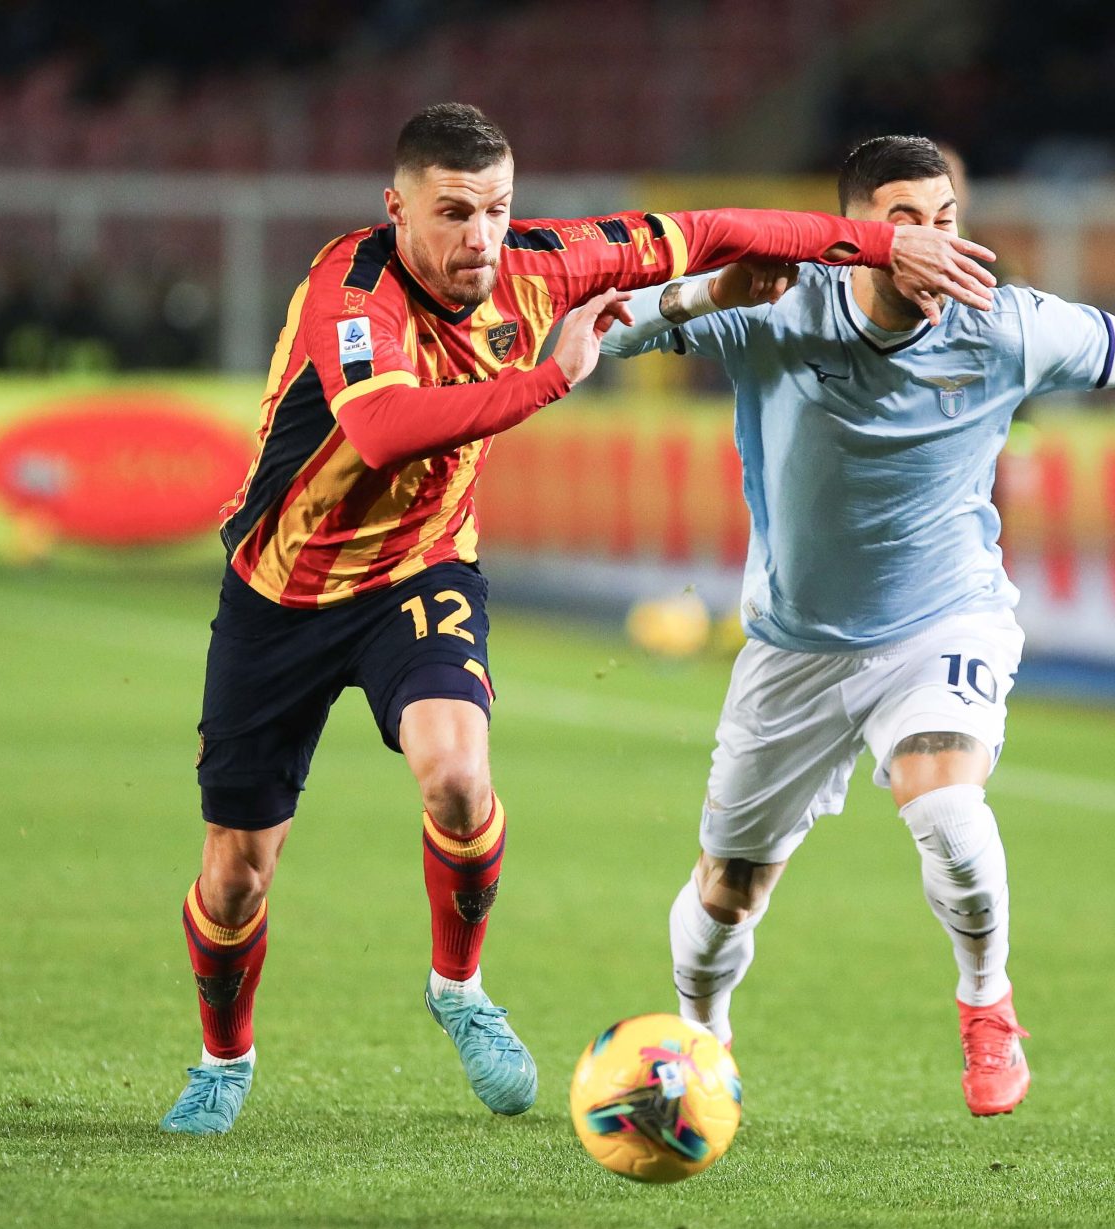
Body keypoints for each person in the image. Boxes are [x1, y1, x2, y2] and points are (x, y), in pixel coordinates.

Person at [162, 105, 997, 1135]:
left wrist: (879, 243)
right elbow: (381, 428)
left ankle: (459, 989)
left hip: (419, 572)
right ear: (397, 210)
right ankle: (224, 1058)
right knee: (236, 875)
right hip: (280, 593)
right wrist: (549, 378)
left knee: (457, 776)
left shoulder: (544, 261)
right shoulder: (352, 287)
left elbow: (716, 229)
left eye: (497, 209)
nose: (481, 236)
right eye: (454, 212)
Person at [600, 135, 1115, 1116]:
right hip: (796, 646)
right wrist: (706, 295)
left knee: (944, 806)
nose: (933, 241)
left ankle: (986, 1003)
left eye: (945, 219)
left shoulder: (1005, 324)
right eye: (904, 222)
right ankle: (701, 1039)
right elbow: (609, 332)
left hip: (942, 623)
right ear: (852, 233)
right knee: (727, 891)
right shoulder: (778, 306)